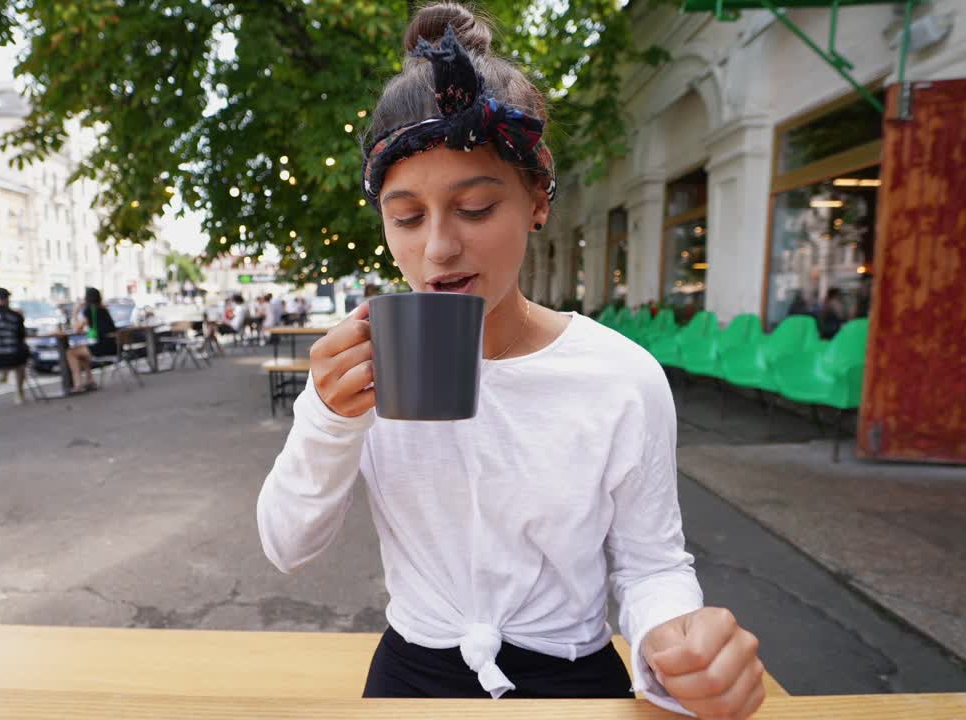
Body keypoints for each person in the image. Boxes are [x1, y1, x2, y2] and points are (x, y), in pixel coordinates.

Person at [257, 6, 764, 717]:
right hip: (410, 679)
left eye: (474, 207)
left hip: (575, 680)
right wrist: (329, 421)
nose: (436, 248)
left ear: (536, 200)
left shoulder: (620, 376)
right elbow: (286, 545)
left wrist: (676, 642)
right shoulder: (364, 366)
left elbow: (652, 565)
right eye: (406, 217)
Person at [64, 287, 118, 393]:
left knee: (70, 352)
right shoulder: (104, 310)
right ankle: (90, 381)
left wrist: (75, 312)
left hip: (103, 347)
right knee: (82, 352)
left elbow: (77, 328)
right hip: (115, 346)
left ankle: (78, 384)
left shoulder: (90, 310)